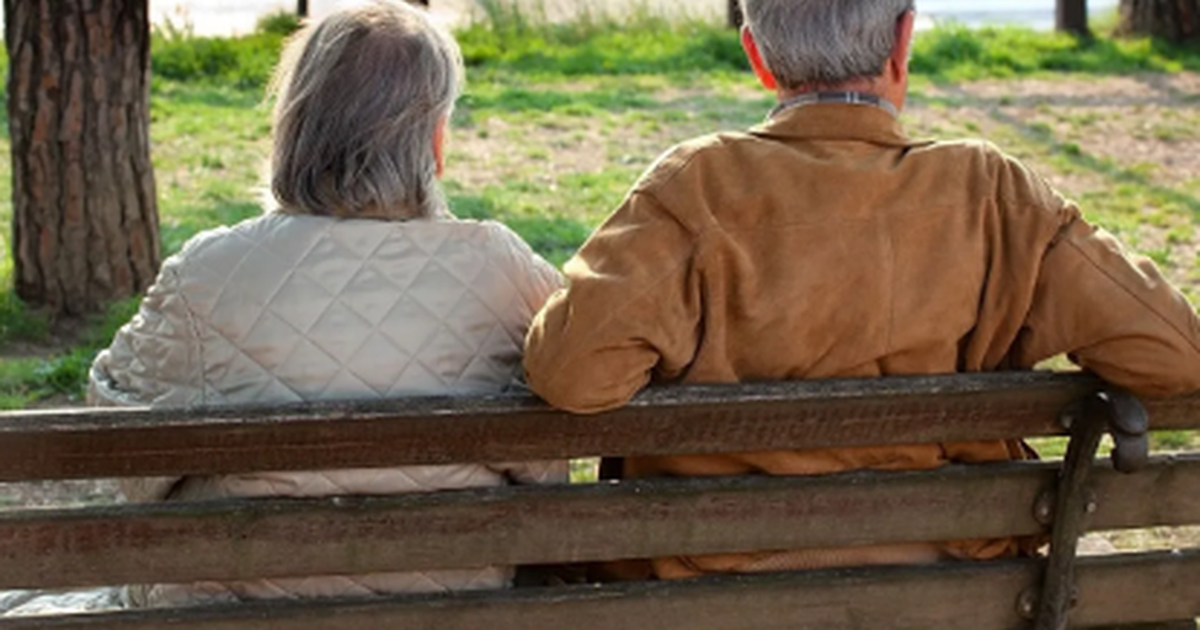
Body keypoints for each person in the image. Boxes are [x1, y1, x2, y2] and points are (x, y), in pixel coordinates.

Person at [523, 0, 1200, 580]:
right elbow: (1174, 356)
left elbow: (571, 374)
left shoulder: (696, 187)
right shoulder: (992, 194)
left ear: (757, 56)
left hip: (715, 582)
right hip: (957, 580)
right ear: (904, 41)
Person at [82, 0, 565, 608]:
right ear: (435, 142)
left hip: (232, 612)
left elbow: (120, 440)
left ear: (293, 129)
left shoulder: (210, 273)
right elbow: (547, 462)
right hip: (444, 607)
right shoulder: (505, 269)